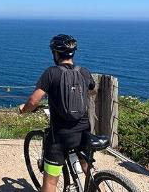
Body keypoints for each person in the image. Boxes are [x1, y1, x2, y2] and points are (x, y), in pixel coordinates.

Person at [19, 34, 96, 192]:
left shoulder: (51, 73)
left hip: (60, 136)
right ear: (73, 53)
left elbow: (34, 101)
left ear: (55, 53)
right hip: (83, 131)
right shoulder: (84, 72)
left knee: (50, 182)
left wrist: (24, 109)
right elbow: (92, 89)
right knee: (88, 171)